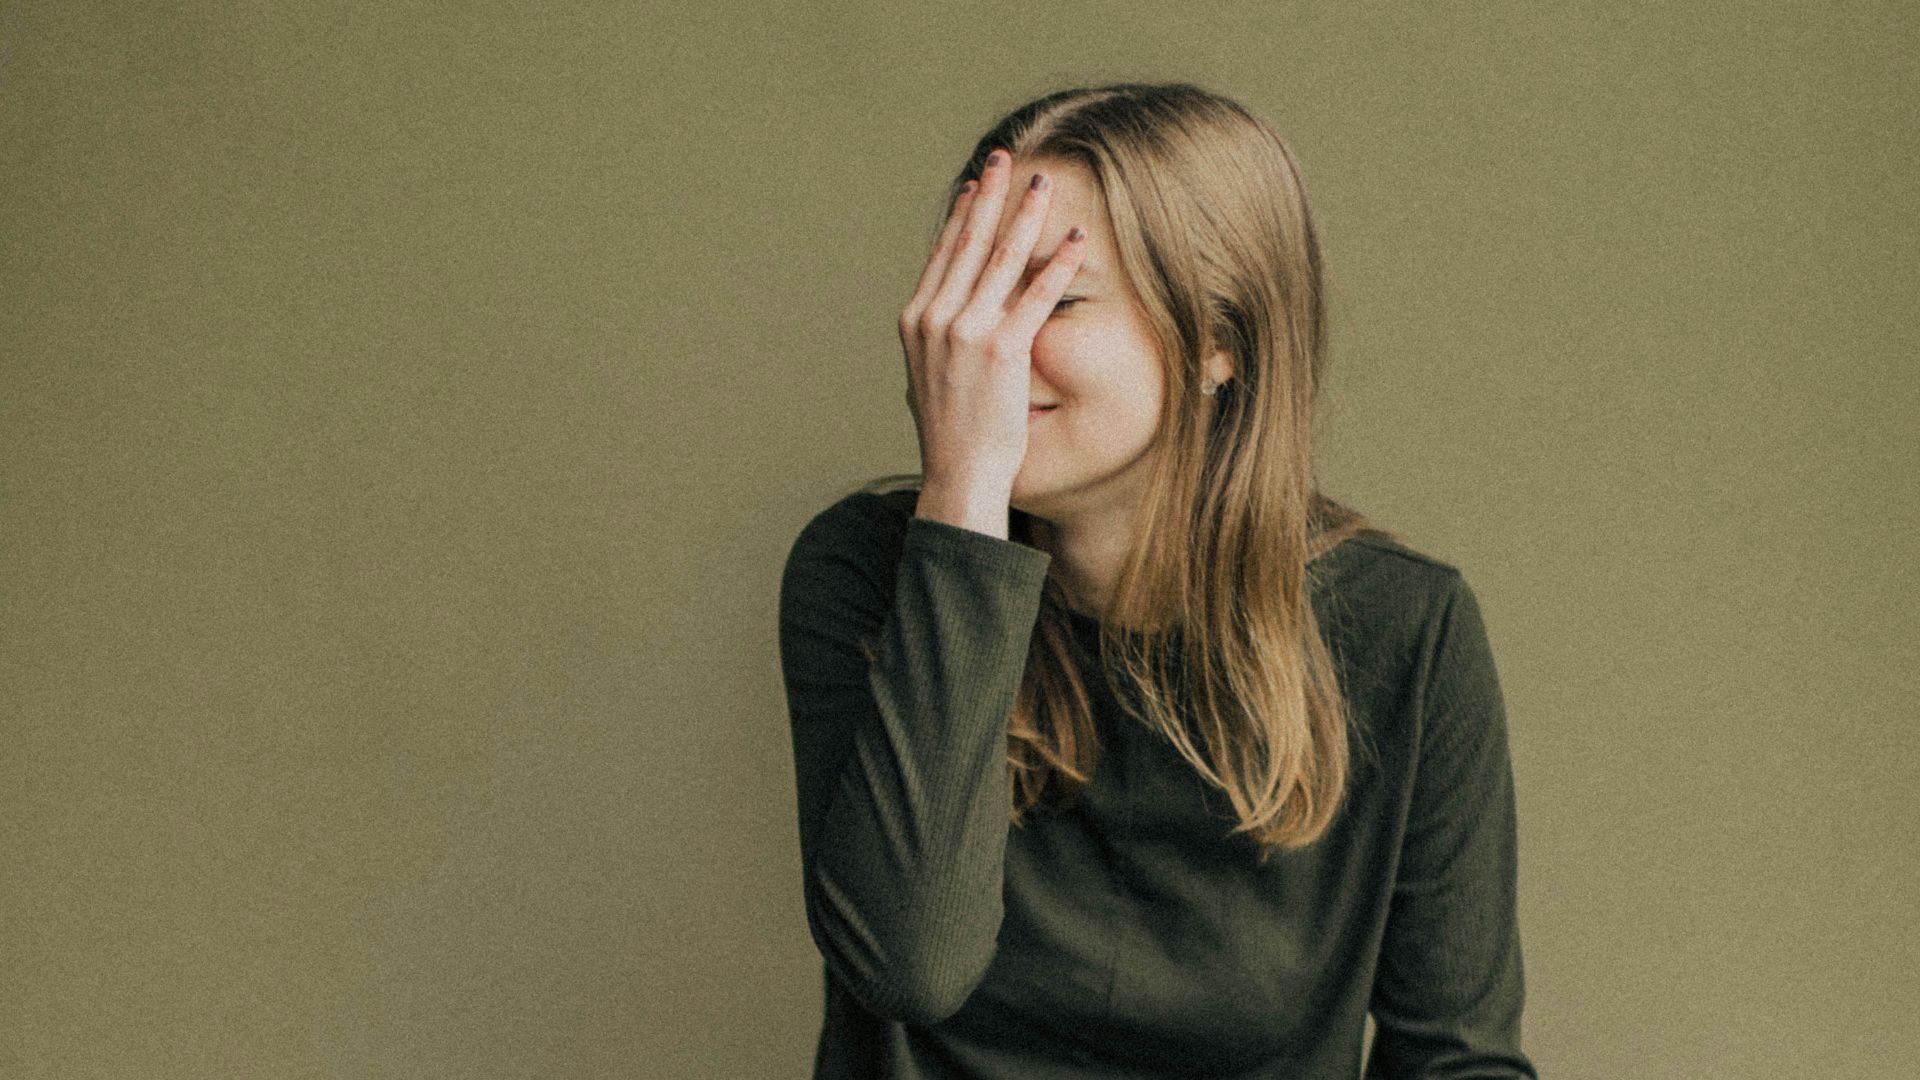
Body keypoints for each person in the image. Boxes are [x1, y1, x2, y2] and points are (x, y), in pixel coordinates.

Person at [777, 81, 1537, 1079]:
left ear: (1218, 338)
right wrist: (963, 492)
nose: (981, 347)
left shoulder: (1407, 628)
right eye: (970, 287)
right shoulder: (868, 572)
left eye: (1048, 295)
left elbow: (1458, 1062)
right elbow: (909, 965)